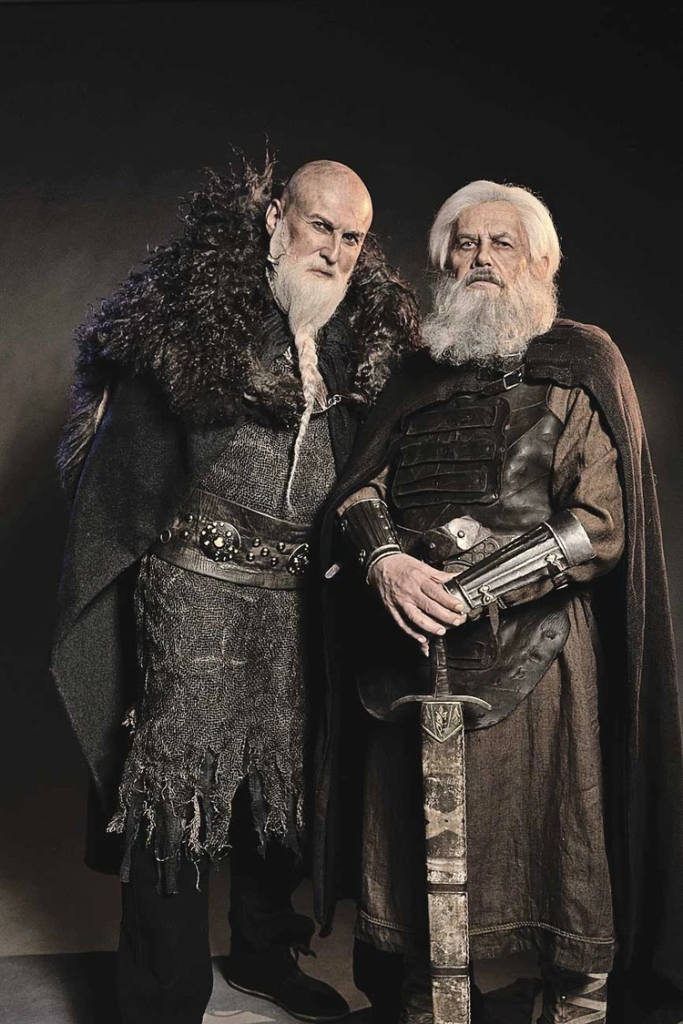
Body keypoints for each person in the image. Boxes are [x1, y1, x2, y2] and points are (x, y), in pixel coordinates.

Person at [50, 154, 420, 1024]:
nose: (334, 251)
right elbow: (127, 471)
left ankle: (262, 950)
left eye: (353, 238)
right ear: (274, 219)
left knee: (280, 783)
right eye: (321, 226)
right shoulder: (195, 319)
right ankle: (161, 996)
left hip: (301, 595)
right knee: (176, 783)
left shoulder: (362, 341)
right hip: (195, 588)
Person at [316, 181, 683, 1024]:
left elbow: (596, 526)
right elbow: (358, 488)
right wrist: (385, 563)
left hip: (539, 657)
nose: (481, 258)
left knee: (560, 846)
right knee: (416, 864)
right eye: (465, 244)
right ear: (444, 263)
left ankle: (576, 1007)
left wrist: (468, 588)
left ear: (541, 262)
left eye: (501, 243)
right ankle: (433, 1006)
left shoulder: (580, 363)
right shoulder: (414, 377)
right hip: (410, 657)